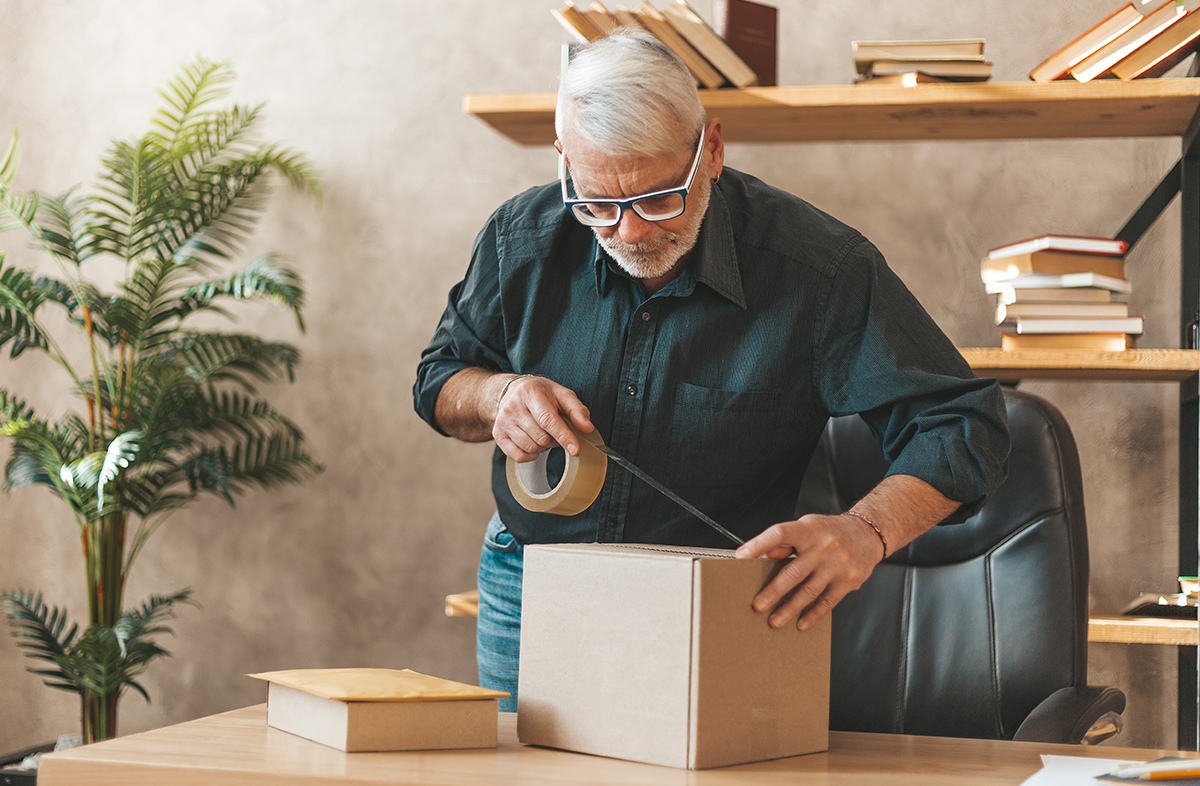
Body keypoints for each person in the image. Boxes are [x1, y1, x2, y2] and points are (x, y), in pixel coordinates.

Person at [414, 29, 1010, 709]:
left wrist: (867, 531)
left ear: (713, 150)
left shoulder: (819, 270)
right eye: (598, 204)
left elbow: (965, 426)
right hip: (531, 586)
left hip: (709, 603)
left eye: (659, 197)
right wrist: (498, 395)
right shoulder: (520, 237)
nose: (631, 232)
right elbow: (440, 379)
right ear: (564, 160)